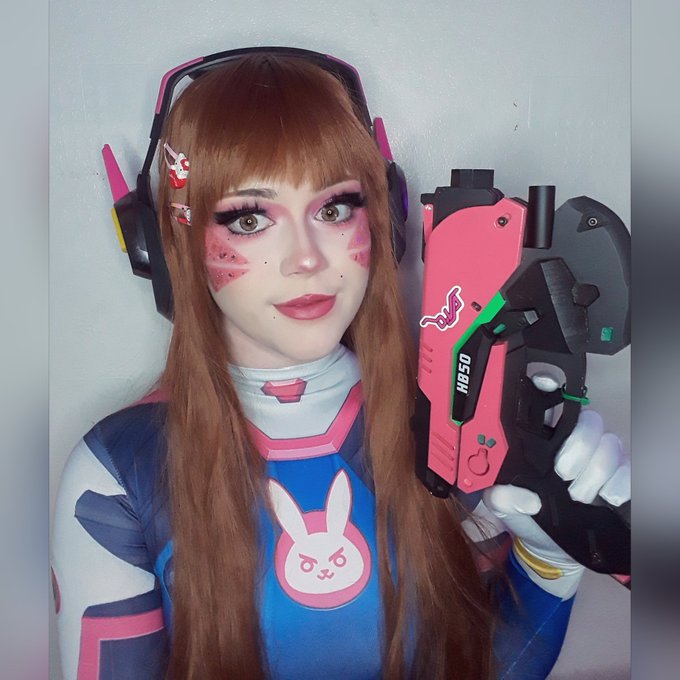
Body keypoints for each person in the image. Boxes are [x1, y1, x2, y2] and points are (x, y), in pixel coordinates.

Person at [51, 48, 630, 680]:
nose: (307, 258)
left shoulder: (455, 423)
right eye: (250, 218)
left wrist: (549, 564)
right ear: (169, 247)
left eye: (333, 210)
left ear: (383, 221)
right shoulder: (116, 474)